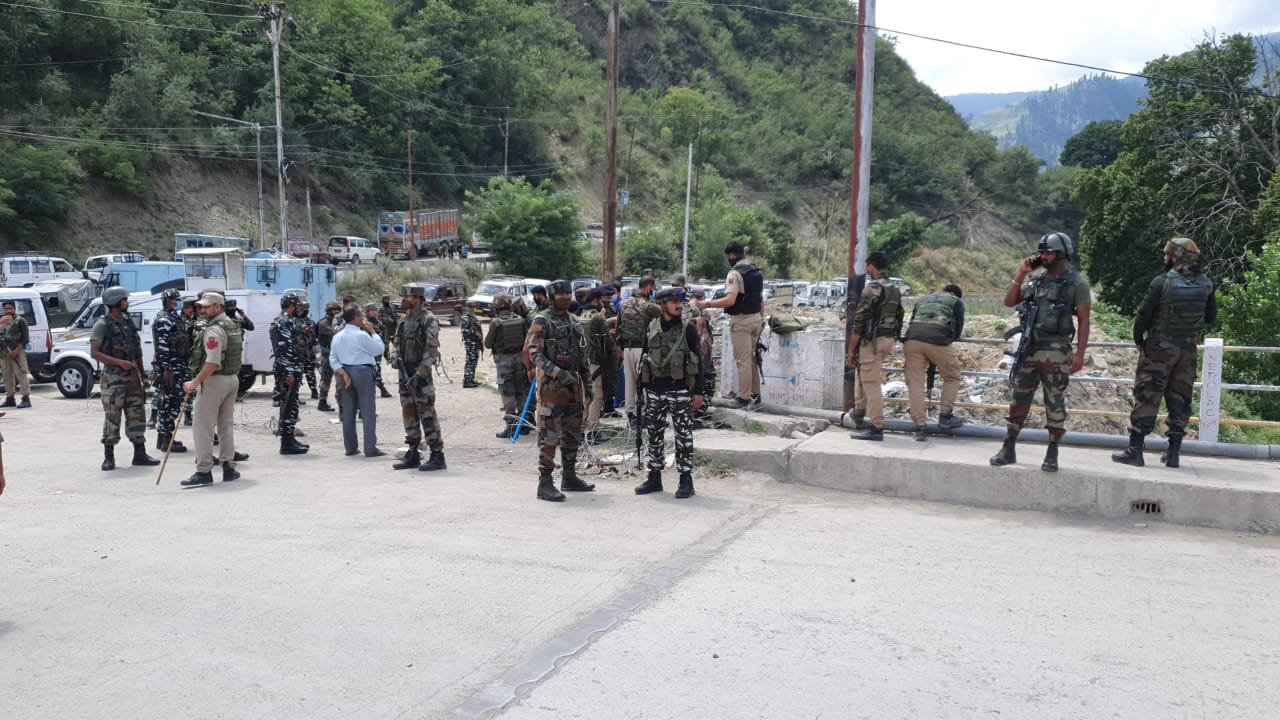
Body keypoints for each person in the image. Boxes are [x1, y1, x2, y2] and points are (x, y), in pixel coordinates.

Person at [991, 232, 1092, 472]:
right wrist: (1022, 273)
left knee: (1054, 401)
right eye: (1042, 253)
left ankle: (1052, 451)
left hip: (1056, 350)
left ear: (1062, 254)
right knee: (1019, 398)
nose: (1043, 257)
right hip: (1029, 348)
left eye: (1048, 252)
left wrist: (1079, 354)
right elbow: (1009, 301)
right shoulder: (1036, 282)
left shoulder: (1077, 283)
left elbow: (1084, 320)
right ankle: (1009, 447)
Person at [1113, 237, 1216, 469]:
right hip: (1187, 351)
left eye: (1167, 254)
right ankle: (1173, 454)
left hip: (1159, 349)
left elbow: (1143, 315)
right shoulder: (1206, 283)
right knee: (1180, 400)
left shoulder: (1162, 282)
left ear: (1176, 257)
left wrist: (1139, 339)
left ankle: (1135, 451)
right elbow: (1210, 317)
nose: (1164, 258)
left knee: (1147, 396)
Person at [526, 279, 595, 502]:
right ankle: (545, 483)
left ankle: (569, 476)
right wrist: (557, 372)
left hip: (573, 386)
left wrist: (588, 384)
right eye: (560, 294)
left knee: (572, 432)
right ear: (551, 297)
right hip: (552, 388)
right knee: (549, 435)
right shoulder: (542, 320)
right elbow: (534, 354)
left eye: (567, 294)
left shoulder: (574, 320)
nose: (565, 297)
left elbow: (582, 356)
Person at [634, 287, 705, 499]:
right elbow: (645, 356)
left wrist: (698, 392)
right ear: (663, 304)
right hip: (655, 389)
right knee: (654, 434)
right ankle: (654, 477)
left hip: (680, 389)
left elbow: (699, 362)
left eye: (680, 302)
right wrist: (641, 388)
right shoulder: (651, 327)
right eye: (674, 302)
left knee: (683, 436)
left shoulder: (688, 328)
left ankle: (686, 481)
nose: (679, 305)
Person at [90, 286, 160, 471]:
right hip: (113, 379)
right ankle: (109, 457)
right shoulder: (102, 324)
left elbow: (136, 351)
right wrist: (119, 363)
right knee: (112, 417)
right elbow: (95, 352)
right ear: (115, 302)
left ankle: (140, 454)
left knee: (136, 414)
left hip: (133, 378)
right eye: (124, 300)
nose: (127, 303)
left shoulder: (128, 322)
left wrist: (143, 375)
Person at [181, 292, 245, 486]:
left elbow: (212, 362)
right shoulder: (232, 324)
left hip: (214, 381)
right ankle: (229, 468)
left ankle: (204, 471)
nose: (202, 310)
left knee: (202, 427)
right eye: (200, 307)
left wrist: (194, 382)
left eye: (206, 307)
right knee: (225, 425)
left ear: (218, 306)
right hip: (231, 378)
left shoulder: (213, 330)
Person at [693, 241, 764, 408]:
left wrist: (707, 304)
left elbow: (730, 300)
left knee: (743, 361)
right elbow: (760, 299)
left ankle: (743, 398)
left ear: (732, 255)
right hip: (756, 319)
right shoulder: (756, 271)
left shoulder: (735, 274)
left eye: (728, 256)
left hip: (741, 321)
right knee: (753, 359)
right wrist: (762, 319)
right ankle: (755, 395)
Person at [846, 252, 905, 441]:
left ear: (871, 267)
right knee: (863, 374)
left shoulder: (872, 288)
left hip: (872, 341)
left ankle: (876, 427)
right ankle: (859, 412)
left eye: (867, 267)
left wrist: (851, 349)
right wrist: (894, 336)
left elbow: (859, 322)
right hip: (887, 339)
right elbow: (900, 314)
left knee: (871, 383)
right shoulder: (894, 288)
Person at [391, 284, 447, 472]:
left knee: (427, 415)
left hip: (420, 377)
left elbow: (431, 351)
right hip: (404, 374)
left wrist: (419, 374)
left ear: (416, 298)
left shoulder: (428, 319)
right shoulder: (404, 319)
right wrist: (394, 356)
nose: (403, 300)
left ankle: (437, 455)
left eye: (406, 297)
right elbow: (396, 342)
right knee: (409, 414)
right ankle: (413, 452)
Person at [902, 283, 967, 441]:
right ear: (957, 294)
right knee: (952, 377)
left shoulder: (923, 298)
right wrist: (948, 339)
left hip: (912, 339)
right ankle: (945, 416)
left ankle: (920, 426)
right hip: (937, 340)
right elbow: (958, 328)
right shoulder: (956, 301)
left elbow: (912, 320)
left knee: (915, 383)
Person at [330, 306, 387, 457]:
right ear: (355, 319)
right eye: (361, 315)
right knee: (368, 412)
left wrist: (343, 373)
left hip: (345, 373)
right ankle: (370, 448)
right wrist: (373, 332)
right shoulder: (361, 335)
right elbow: (378, 349)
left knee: (348, 413)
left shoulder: (338, 336)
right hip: (363, 372)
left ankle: (350, 448)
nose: (363, 318)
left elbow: (333, 358)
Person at [616, 276, 660, 429]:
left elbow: (618, 327)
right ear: (648, 287)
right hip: (644, 350)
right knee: (646, 383)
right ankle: (647, 416)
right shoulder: (650, 306)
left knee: (630, 383)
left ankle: (631, 415)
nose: (653, 291)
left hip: (627, 349)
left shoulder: (624, 304)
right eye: (653, 289)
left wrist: (621, 348)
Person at [485, 294, 531, 439]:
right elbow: (527, 340)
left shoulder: (496, 323)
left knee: (507, 394)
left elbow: (487, 344)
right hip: (520, 360)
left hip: (504, 362)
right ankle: (524, 425)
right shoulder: (520, 320)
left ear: (497, 307)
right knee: (521, 391)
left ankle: (511, 427)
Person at [151, 289, 192, 454]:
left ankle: (164, 438)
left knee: (171, 403)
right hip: (172, 369)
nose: (179, 302)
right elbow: (162, 347)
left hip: (178, 366)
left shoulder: (174, 318)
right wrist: (167, 369)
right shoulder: (164, 320)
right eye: (177, 299)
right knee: (170, 404)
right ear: (169, 301)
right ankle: (166, 440)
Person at [272, 294, 309, 455]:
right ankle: (286, 444)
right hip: (288, 370)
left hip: (293, 368)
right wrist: (289, 373)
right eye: (298, 305)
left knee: (292, 405)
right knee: (287, 406)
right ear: (292, 306)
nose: (301, 308)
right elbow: (284, 349)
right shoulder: (284, 322)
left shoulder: (289, 320)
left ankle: (290, 438)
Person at [580, 289, 616, 445]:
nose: (603, 303)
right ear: (596, 301)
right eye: (601, 300)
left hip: (581, 361)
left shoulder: (579, 315)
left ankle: (581, 429)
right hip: (594, 360)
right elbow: (607, 340)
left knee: (586, 396)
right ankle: (593, 431)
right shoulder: (597, 317)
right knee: (597, 395)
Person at [1, 300, 32, 408]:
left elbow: (25, 339)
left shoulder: (20, 321)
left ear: (14, 309)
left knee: (21, 374)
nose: (8, 311)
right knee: (7, 376)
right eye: (6, 309)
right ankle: (10, 398)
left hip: (18, 352)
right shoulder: (2, 321)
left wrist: (15, 351)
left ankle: (25, 398)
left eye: (10, 308)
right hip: (4, 353)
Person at [364, 303, 393, 398]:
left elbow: (384, 339)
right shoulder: (364, 323)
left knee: (376, 368)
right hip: (368, 352)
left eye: (375, 310)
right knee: (371, 370)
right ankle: (381, 388)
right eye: (372, 310)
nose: (375, 312)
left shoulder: (379, 323)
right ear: (367, 312)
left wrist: (386, 353)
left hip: (377, 351)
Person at [316, 301, 341, 412]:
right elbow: (335, 333)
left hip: (338, 356)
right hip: (327, 356)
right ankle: (322, 401)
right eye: (333, 310)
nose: (336, 311)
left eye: (338, 310)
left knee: (340, 381)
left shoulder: (338, 322)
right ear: (328, 311)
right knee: (326, 379)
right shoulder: (324, 323)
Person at [460, 301, 484, 388]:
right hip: (470, 344)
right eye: (470, 307)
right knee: (470, 362)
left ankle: (471, 379)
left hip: (476, 343)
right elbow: (464, 331)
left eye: (473, 307)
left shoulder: (474, 318)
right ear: (466, 308)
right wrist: (475, 333)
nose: (472, 309)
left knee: (474, 362)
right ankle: (467, 381)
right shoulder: (465, 318)